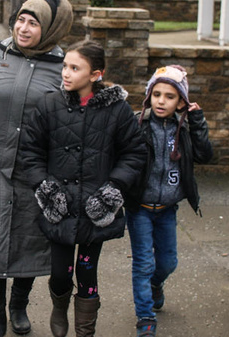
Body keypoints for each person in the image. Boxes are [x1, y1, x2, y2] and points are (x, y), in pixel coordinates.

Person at [0, 0, 74, 337]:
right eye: (21, 19)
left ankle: (18, 305)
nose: (23, 28)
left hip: (36, 171)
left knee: (28, 240)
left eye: (33, 23)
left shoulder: (63, 64)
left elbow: (71, 117)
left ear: (50, 28)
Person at [18, 39, 147, 337]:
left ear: (95, 74)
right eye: (65, 66)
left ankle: (85, 331)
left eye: (75, 68)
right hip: (59, 207)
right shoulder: (50, 105)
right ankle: (59, 308)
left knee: (88, 271)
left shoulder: (117, 110)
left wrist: (112, 189)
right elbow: (30, 151)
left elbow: (135, 152)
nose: (66, 73)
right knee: (61, 273)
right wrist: (45, 188)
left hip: (95, 209)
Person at [126, 65, 213, 337]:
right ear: (149, 96)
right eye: (157, 94)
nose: (162, 101)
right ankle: (145, 317)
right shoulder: (137, 124)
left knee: (167, 263)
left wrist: (197, 121)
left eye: (170, 96)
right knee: (143, 263)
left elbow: (205, 155)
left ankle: (155, 285)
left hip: (167, 209)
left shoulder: (184, 129)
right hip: (139, 207)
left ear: (181, 102)